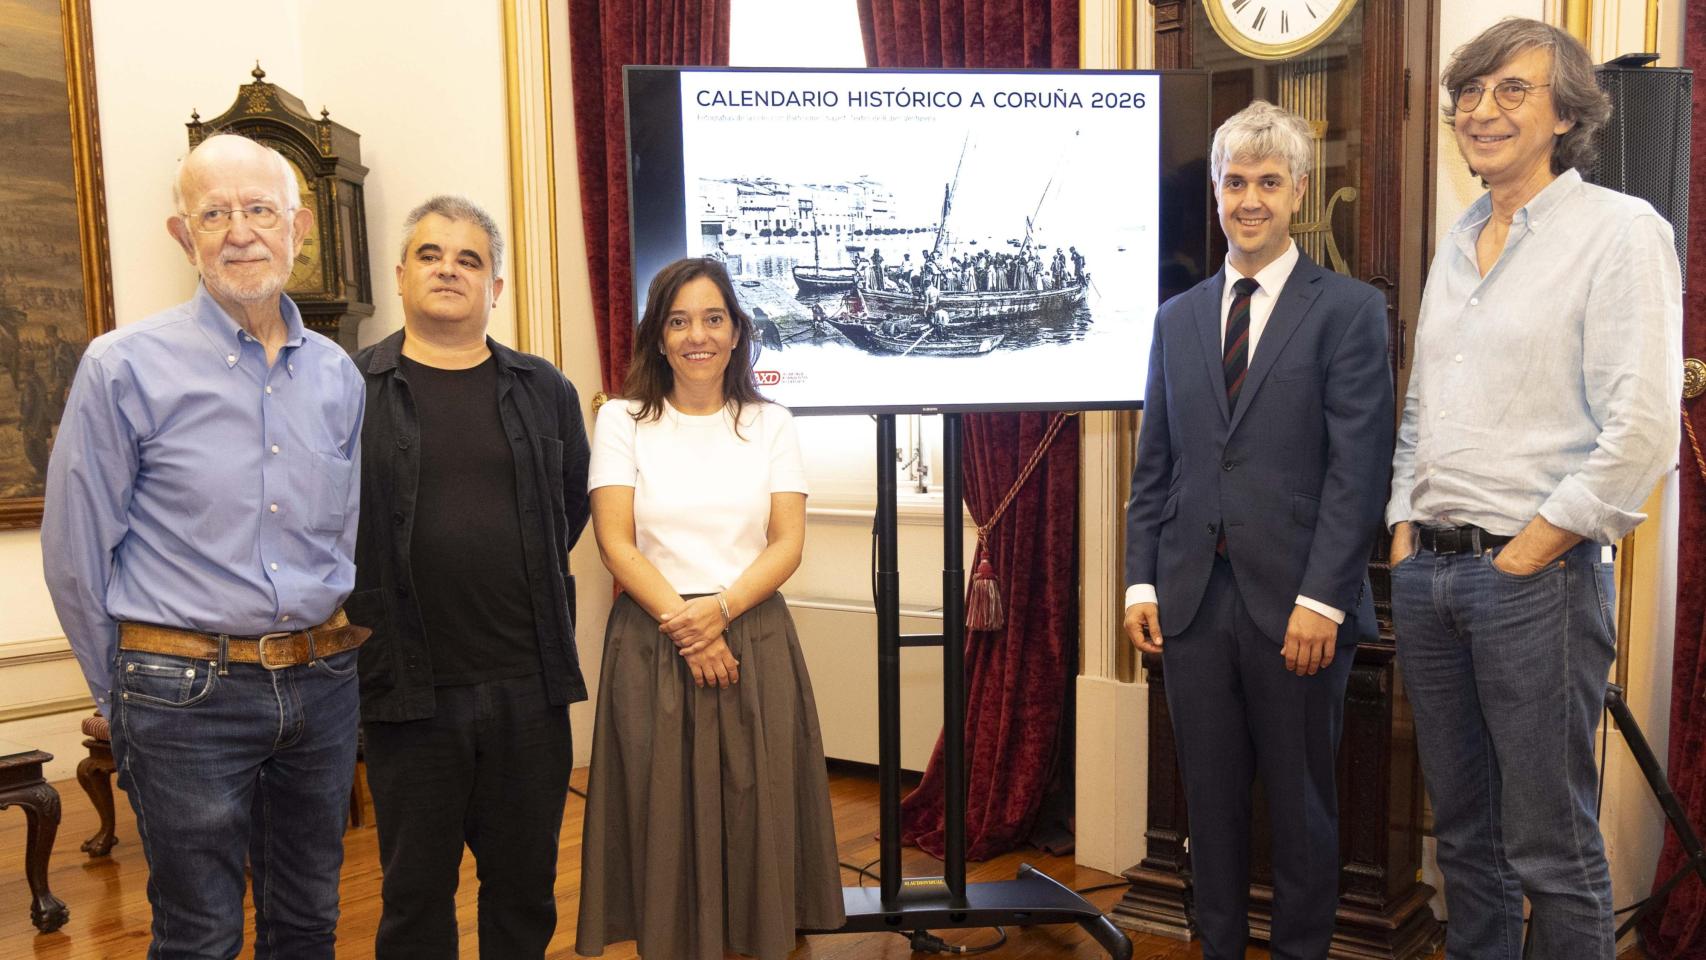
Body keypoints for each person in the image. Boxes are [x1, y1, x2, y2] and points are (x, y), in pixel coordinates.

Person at [1386, 19, 1682, 960]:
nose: (1482, 110)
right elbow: (1424, 407)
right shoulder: (1458, 236)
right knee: (1464, 843)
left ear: (1567, 113)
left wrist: (1530, 550)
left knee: (1552, 851)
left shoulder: (1622, 232)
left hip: (1535, 584)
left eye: (1511, 90)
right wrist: (1403, 526)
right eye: (1469, 93)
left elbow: (1640, 433)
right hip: (1430, 580)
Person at [41, 133, 366, 959]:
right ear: (183, 236)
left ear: (297, 228)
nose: (240, 232)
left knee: (308, 923)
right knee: (199, 935)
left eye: (259, 209)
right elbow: (77, 551)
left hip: (321, 682)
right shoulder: (121, 368)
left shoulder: (337, 376)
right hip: (184, 691)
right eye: (214, 213)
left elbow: (342, 534)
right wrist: (118, 692)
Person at [1123, 100, 1394, 960]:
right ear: (1214, 191)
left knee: (1304, 807)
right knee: (1209, 805)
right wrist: (1138, 579)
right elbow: (1155, 465)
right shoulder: (1176, 318)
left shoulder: (1350, 311)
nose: (1250, 199)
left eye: (1269, 182)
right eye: (1235, 181)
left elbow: (1361, 471)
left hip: (1302, 611)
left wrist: (1325, 597)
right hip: (1193, 605)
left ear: (1300, 193)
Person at [575, 257, 844, 959]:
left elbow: (787, 543)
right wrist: (692, 629)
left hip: (751, 634)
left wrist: (719, 612)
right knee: (662, 815)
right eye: (679, 320)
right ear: (659, 337)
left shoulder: (771, 422)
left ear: (736, 333)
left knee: (755, 810)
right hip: (653, 639)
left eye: (713, 318)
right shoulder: (623, 421)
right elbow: (616, 544)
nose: (698, 335)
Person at [348, 195, 591, 958]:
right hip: (408, 689)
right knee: (414, 894)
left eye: (469, 258)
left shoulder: (542, 387)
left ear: (496, 287)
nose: (448, 269)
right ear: (399, 275)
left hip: (529, 680)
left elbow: (570, 506)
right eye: (430, 254)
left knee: (524, 890)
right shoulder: (349, 389)